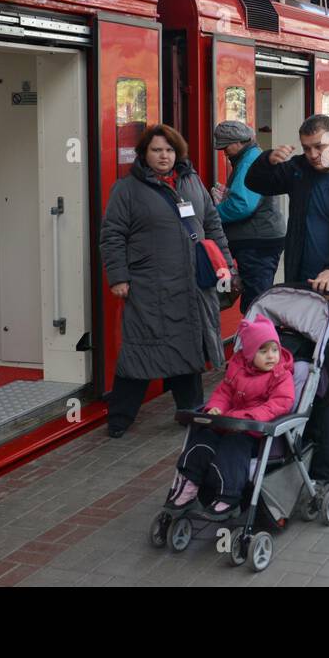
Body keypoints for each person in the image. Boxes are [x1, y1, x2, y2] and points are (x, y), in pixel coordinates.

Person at [246, 114, 329, 438]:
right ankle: (317, 425)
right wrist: (266, 160)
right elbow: (255, 183)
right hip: (305, 287)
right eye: (306, 149)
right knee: (310, 357)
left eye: (319, 147)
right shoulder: (298, 171)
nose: (313, 155)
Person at [100, 124, 233, 438]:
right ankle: (119, 419)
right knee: (140, 351)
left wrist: (226, 264)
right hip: (150, 285)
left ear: (178, 153)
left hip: (192, 284)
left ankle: (192, 412)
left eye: (169, 150)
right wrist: (118, 276)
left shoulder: (191, 181)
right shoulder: (127, 189)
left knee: (188, 347)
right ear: (144, 154)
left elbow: (212, 224)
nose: (164, 156)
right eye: (157, 150)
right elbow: (112, 235)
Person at [165, 315, 296, 520]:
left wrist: (246, 417)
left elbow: (279, 404)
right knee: (202, 440)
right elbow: (224, 393)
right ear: (250, 354)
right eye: (263, 351)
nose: (271, 356)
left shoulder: (281, 376)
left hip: (255, 431)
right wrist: (215, 408)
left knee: (232, 448)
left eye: (274, 350)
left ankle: (229, 496)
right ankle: (188, 486)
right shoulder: (238, 369)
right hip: (227, 423)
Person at [210, 121, 285, 314]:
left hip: (257, 242)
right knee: (256, 298)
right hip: (259, 239)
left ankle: (259, 341)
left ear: (238, 142)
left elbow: (242, 205)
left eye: (225, 147)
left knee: (255, 303)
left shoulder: (249, 161)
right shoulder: (251, 157)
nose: (224, 153)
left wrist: (212, 215)